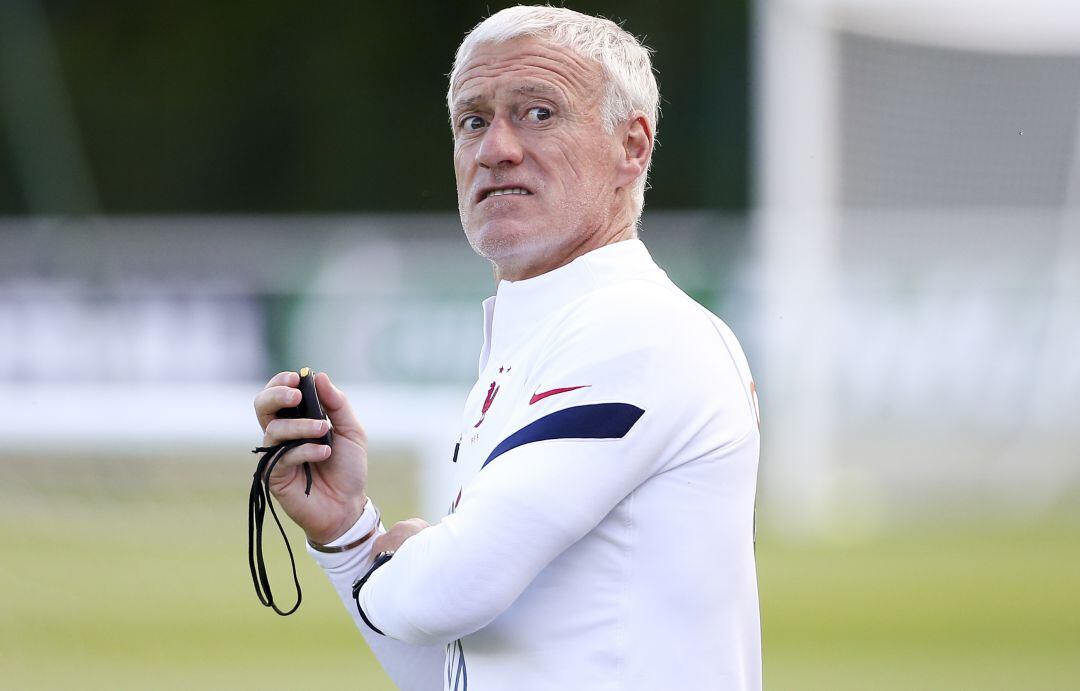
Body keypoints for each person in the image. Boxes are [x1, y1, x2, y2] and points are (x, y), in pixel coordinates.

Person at [253, 6, 761, 690]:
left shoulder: (639, 330)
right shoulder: (547, 336)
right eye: (474, 120)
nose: (497, 148)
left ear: (632, 146)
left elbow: (447, 591)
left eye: (538, 113)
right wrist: (349, 535)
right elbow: (465, 672)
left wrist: (401, 562)